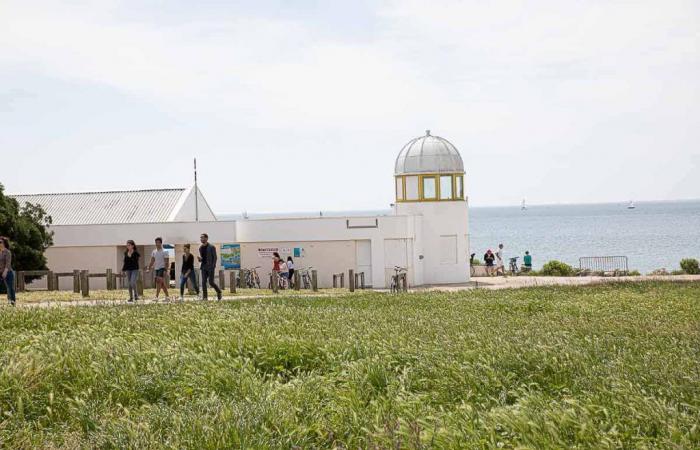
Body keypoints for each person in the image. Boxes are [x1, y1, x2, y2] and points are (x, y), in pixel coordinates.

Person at [198, 233, 222, 300]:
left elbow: (215, 257)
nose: (201, 239)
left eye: (202, 237)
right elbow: (203, 258)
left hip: (210, 267)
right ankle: (205, 297)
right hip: (203, 267)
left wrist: (213, 266)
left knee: (211, 282)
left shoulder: (211, 247)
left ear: (206, 238)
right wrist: (200, 259)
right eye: (200, 238)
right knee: (203, 282)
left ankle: (219, 291)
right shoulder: (200, 248)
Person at [147, 237, 170, 301]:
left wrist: (166, 270)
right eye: (156, 242)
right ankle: (167, 296)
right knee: (161, 284)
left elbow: (167, 261)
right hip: (156, 268)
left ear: (161, 243)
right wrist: (149, 268)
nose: (157, 244)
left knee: (159, 282)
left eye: (158, 242)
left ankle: (156, 296)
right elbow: (152, 260)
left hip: (162, 268)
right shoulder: (154, 252)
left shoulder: (165, 251)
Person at [0, 237, 16, 306]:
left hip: (8, 272)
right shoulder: (0, 252)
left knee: (10, 288)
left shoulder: (7, 252)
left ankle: (12, 302)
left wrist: (5, 272)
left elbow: (8, 263)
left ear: (4, 243)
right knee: (8, 288)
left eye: (0, 242)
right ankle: (10, 301)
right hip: (1, 272)